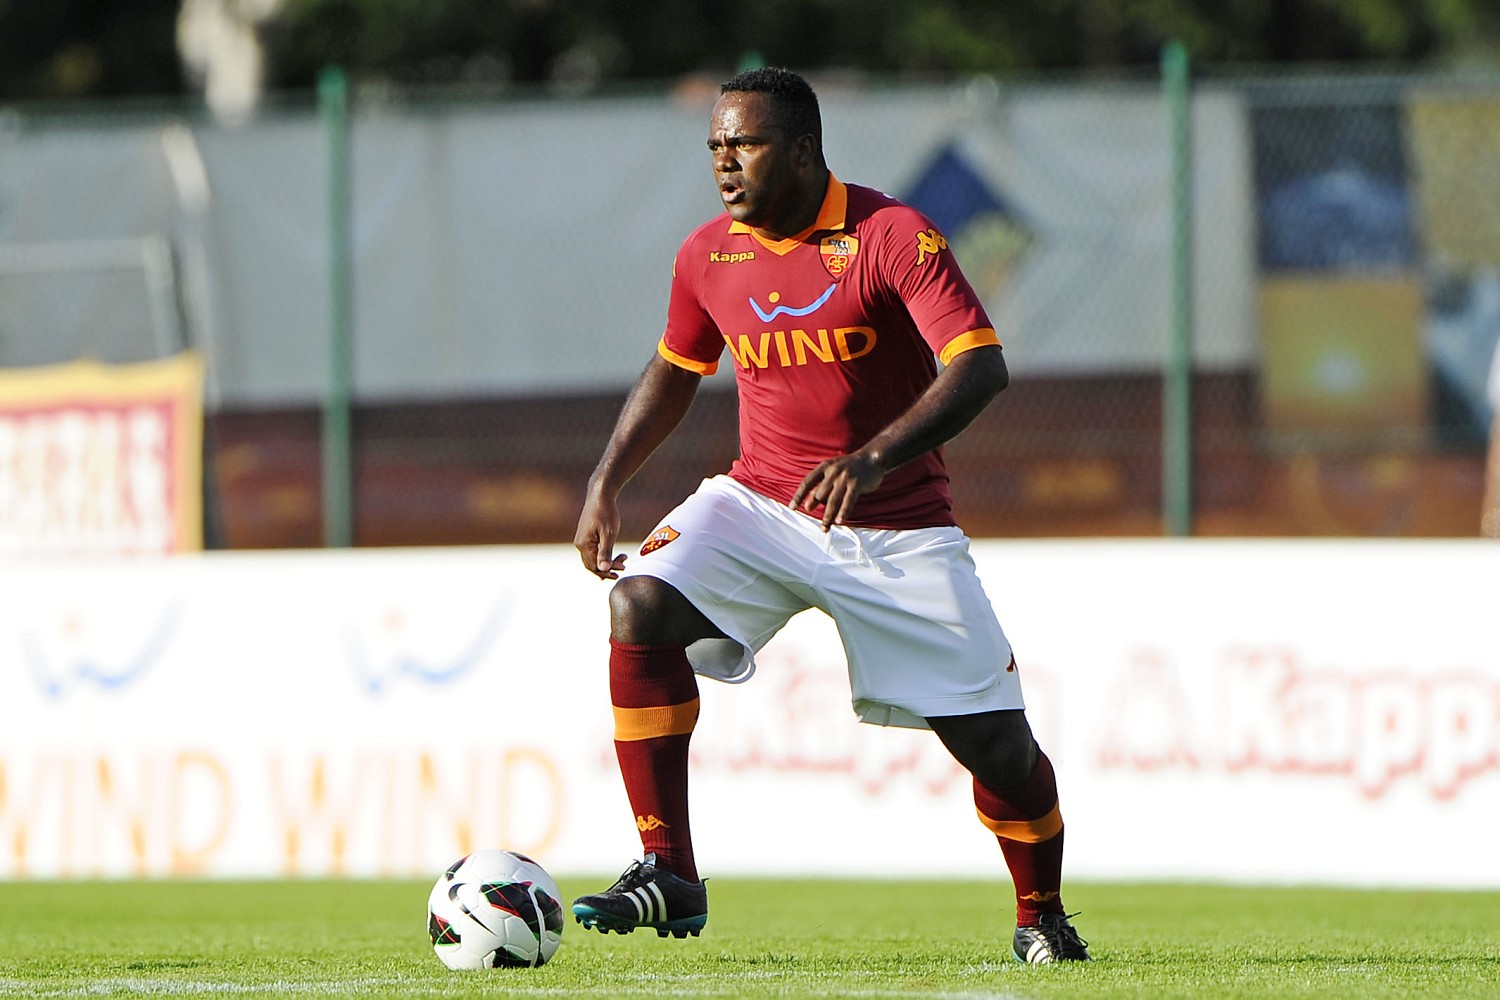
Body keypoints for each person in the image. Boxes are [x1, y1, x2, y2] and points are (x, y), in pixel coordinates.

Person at [570, 66, 1089, 964]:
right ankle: (669, 869)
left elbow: (979, 364)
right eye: (716, 146)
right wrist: (605, 480)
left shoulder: (891, 235)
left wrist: (875, 456)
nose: (724, 162)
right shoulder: (708, 255)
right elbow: (675, 369)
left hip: (897, 528)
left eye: (745, 143)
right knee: (640, 604)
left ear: (805, 149)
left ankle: (1040, 914)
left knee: (1000, 750)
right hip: (760, 504)